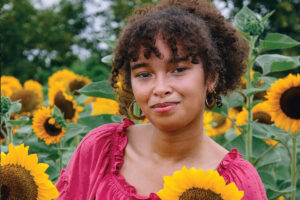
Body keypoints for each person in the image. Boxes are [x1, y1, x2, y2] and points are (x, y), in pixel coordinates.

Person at [56, 0, 267, 199]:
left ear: (211, 77)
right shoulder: (100, 151)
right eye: (144, 74)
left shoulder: (238, 184)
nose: (160, 88)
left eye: (178, 69)